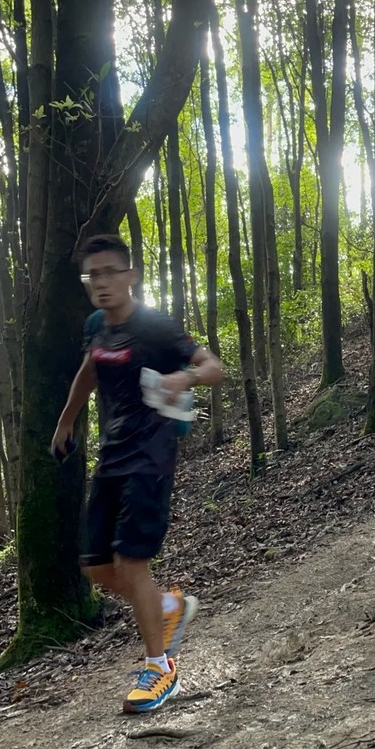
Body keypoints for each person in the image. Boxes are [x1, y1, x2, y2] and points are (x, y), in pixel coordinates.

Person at [51, 234, 225, 712]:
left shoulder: (155, 326)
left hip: (150, 456)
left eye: (110, 272)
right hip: (111, 454)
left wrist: (184, 376)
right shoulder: (96, 326)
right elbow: (89, 371)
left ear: (131, 275)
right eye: (93, 275)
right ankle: (167, 607)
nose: (101, 282)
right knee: (96, 567)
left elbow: (214, 367)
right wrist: (66, 421)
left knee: (131, 564)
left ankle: (160, 669)